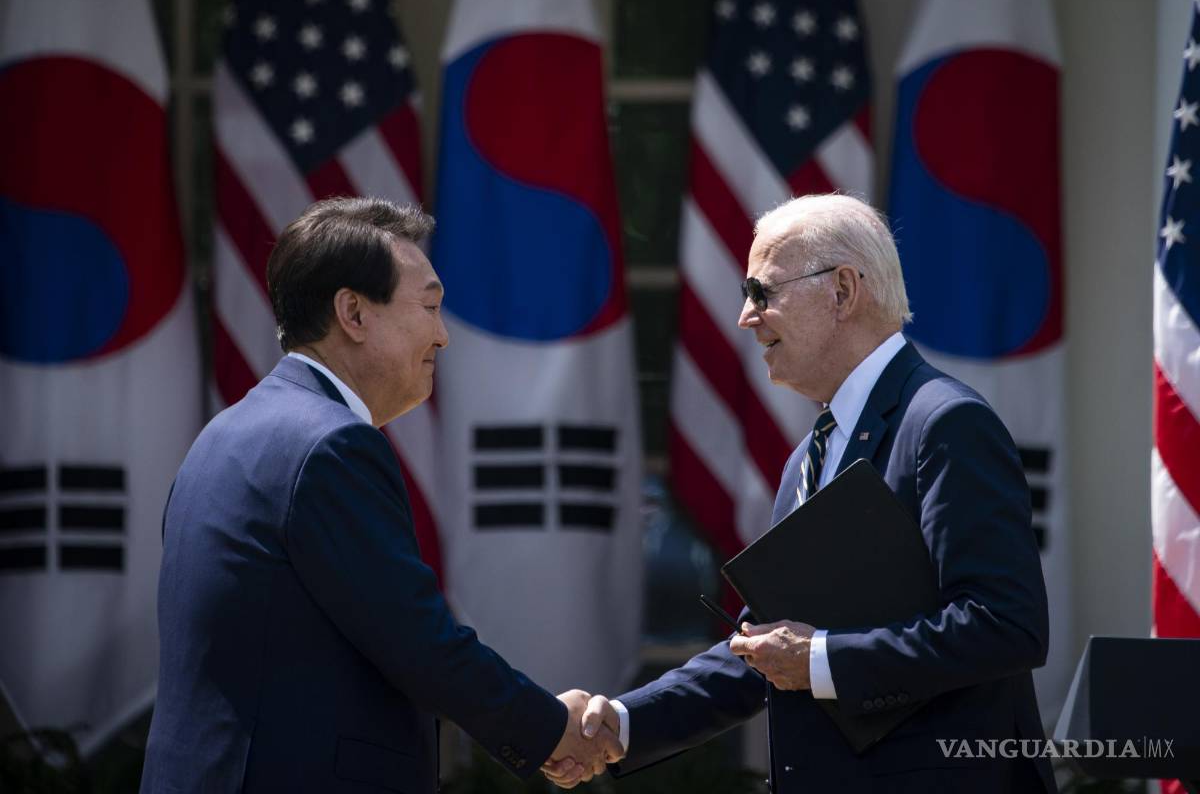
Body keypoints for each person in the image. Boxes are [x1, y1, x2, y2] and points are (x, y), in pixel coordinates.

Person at [545, 194, 1056, 793]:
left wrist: (821, 660)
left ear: (842, 291)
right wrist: (622, 722)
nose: (745, 316)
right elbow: (764, 648)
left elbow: (1005, 623)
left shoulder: (945, 424)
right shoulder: (809, 455)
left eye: (762, 292)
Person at [140, 198, 619, 793]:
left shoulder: (226, 435)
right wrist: (550, 728)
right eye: (431, 307)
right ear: (354, 313)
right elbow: (419, 642)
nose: (443, 337)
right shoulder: (331, 446)